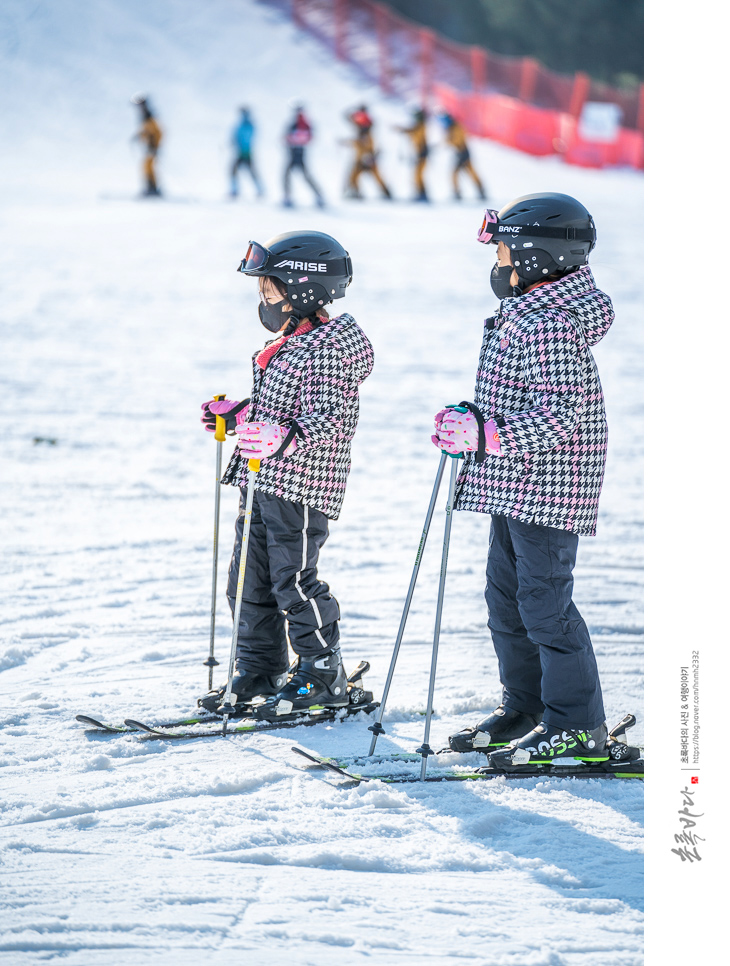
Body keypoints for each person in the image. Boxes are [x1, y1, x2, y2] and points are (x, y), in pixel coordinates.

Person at [433, 192, 615, 767]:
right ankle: (527, 707)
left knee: (544, 604)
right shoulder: (528, 313)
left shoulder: (551, 324)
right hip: (516, 479)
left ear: (539, 255)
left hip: (548, 482)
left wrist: (487, 435)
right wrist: (475, 421)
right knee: (506, 600)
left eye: (506, 250)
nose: (500, 263)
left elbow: (560, 414)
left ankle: (578, 726)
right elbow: (520, 398)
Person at [198, 230, 373, 717]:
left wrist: (284, 436)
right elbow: (282, 406)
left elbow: (333, 417)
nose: (264, 300)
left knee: (291, 580)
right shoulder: (289, 343)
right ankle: (259, 666)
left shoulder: (330, 348)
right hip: (261, 479)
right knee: (245, 580)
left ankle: (322, 670)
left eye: (269, 290)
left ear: (303, 289)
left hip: (301, 483)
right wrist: (239, 415)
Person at [343, 105, 391, 200]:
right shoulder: (360, 122)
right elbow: (347, 117)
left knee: (375, 176)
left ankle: (387, 193)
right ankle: (355, 192)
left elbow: (364, 141)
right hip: (361, 156)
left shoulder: (367, 125)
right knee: (354, 175)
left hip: (369, 156)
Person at [283, 105, 324, 208]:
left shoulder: (304, 124)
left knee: (303, 176)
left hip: (299, 152)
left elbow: (310, 137)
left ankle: (318, 195)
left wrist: (296, 140)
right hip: (293, 152)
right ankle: (288, 196)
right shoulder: (295, 124)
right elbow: (286, 138)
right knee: (288, 175)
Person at [439, 112, 486, 201]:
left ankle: (480, 191)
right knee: (457, 173)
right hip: (459, 153)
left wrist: (449, 140)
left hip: (463, 152)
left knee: (468, 173)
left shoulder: (456, 127)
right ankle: (458, 192)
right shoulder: (450, 128)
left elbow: (456, 140)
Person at [131, 94, 163, 197]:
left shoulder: (149, 117)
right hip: (150, 147)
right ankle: (150, 187)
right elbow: (145, 131)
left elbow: (156, 132)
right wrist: (138, 136)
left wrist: (155, 146)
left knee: (148, 166)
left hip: (152, 147)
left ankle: (152, 188)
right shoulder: (145, 117)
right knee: (146, 166)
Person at [395, 108, 429, 202]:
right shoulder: (419, 126)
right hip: (419, 153)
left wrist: (403, 130)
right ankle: (420, 193)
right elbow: (411, 130)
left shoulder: (421, 126)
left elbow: (413, 131)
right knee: (417, 175)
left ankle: (422, 194)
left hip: (422, 153)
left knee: (418, 175)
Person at [230, 106, 263, 199]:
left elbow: (246, 138)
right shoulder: (242, 124)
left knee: (250, 172)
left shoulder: (247, 125)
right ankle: (235, 189)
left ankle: (259, 190)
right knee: (235, 171)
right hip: (242, 151)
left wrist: (238, 144)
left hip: (245, 152)